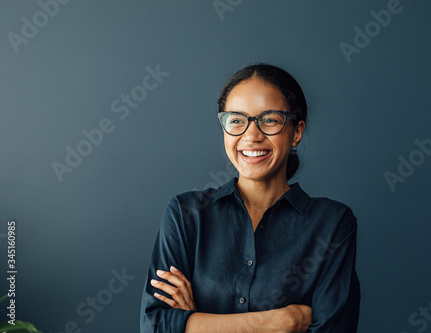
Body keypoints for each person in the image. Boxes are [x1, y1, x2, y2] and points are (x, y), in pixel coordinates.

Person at [140, 63, 360, 332]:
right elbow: (155, 325)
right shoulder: (185, 214)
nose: (251, 135)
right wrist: (278, 321)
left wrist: (195, 324)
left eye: (269, 119)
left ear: (297, 132)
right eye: (236, 120)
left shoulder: (333, 223)